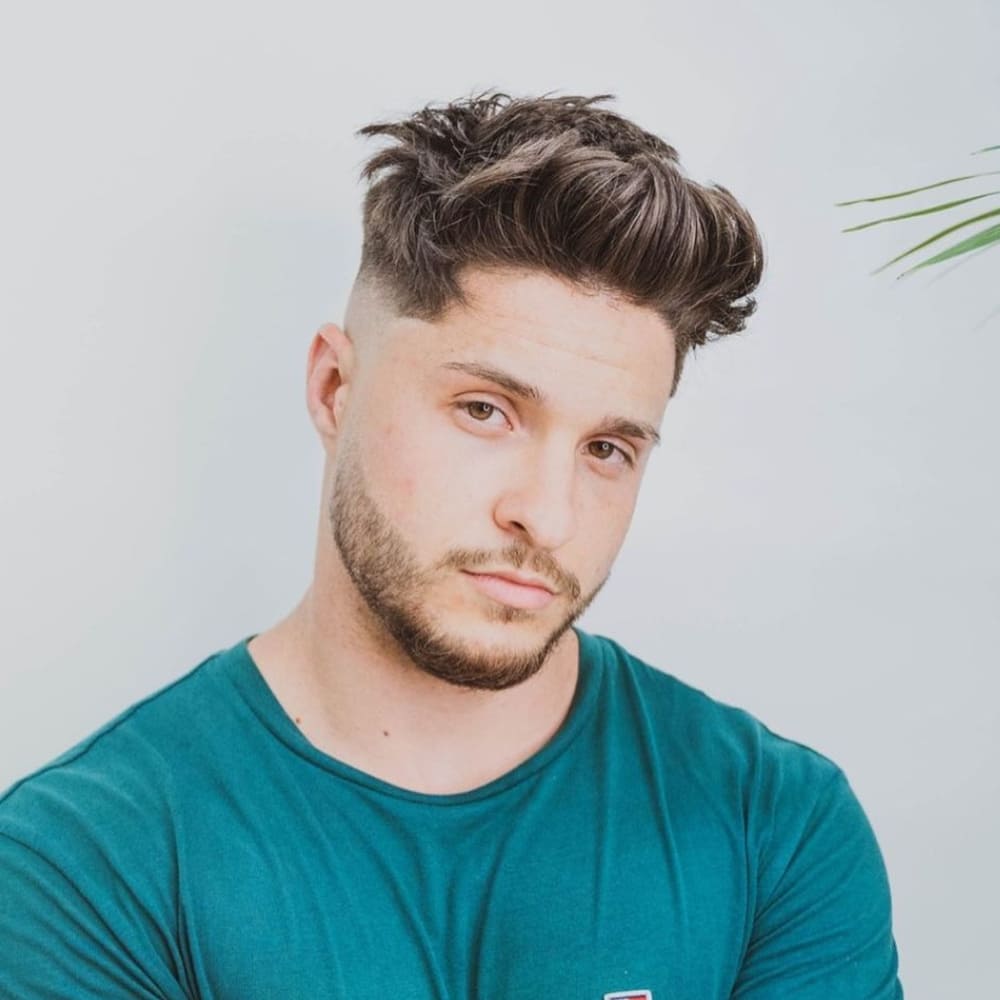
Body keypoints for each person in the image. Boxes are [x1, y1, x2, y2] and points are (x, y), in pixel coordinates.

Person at [0, 90, 904, 999]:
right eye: (485, 411)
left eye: (607, 449)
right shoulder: (80, 866)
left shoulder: (773, 827)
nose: (547, 516)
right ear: (334, 388)